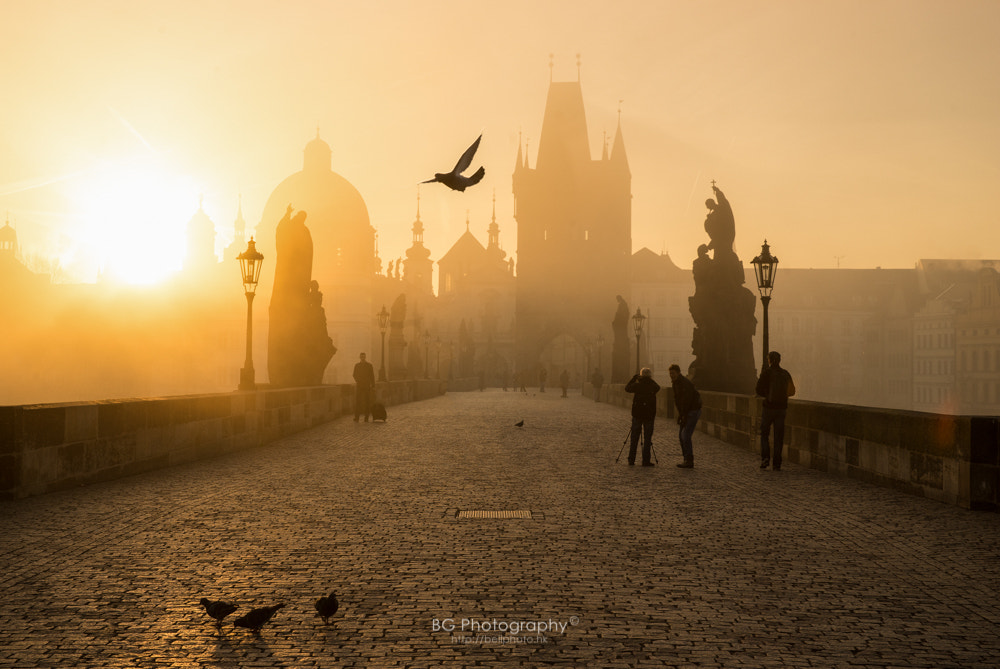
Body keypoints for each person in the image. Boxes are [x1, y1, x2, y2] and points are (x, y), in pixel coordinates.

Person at [755, 350, 796, 470]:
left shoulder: (766, 373)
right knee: (779, 436)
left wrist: (768, 396)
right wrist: (782, 397)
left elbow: (758, 389)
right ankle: (777, 462)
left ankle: (765, 458)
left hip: (768, 408)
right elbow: (792, 391)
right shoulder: (785, 373)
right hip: (781, 409)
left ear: (770, 360)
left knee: (764, 434)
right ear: (779, 360)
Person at [624, 368, 661, 466]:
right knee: (647, 439)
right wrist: (650, 379)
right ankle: (646, 460)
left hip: (637, 414)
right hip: (649, 415)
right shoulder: (653, 386)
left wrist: (634, 378)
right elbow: (658, 387)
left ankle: (631, 459)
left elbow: (627, 388)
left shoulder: (637, 385)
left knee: (634, 438)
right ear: (650, 376)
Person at [668, 364, 702, 469]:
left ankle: (689, 460)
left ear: (678, 373)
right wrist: (681, 414)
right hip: (686, 411)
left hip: (692, 410)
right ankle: (686, 459)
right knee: (681, 436)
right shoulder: (676, 383)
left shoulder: (684, 383)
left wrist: (684, 415)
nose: (671, 375)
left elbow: (686, 401)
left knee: (685, 435)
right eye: (670, 374)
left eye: (673, 373)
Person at [353, 352, 376, 422]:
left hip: (366, 385)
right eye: (361, 357)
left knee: (367, 401)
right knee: (358, 401)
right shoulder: (357, 365)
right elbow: (354, 375)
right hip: (360, 385)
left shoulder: (369, 365)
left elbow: (372, 376)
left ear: (365, 357)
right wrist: (358, 381)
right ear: (360, 357)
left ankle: (366, 417)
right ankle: (357, 417)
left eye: (363, 357)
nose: (362, 358)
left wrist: (373, 385)